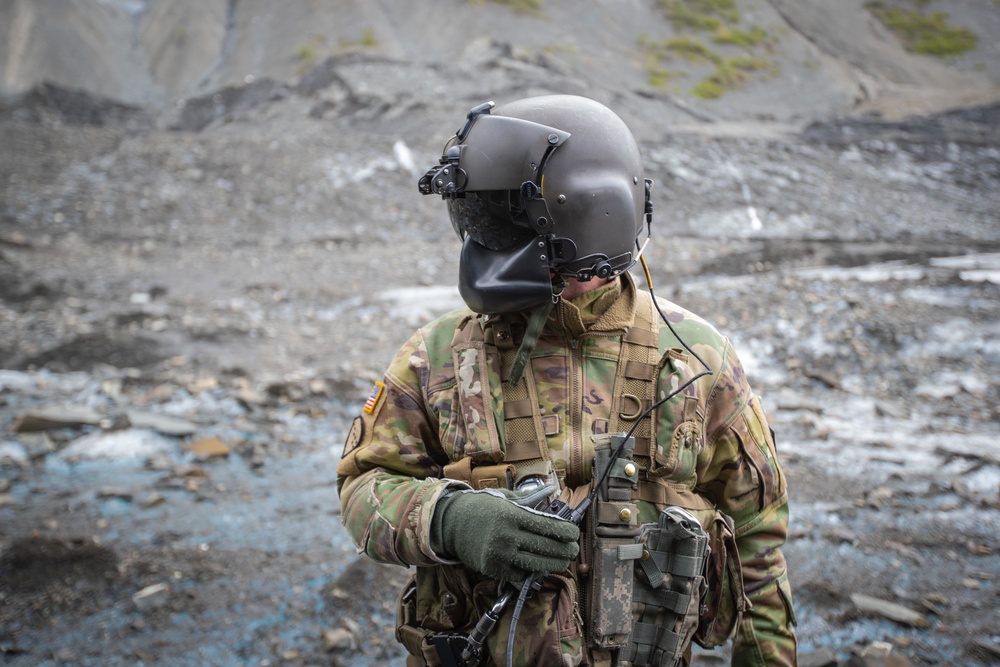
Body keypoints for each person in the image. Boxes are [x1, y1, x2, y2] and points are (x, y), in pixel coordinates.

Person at [337, 94, 797, 667]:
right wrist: (452, 519)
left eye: (506, 227)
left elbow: (757, 528)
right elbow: (362, 489)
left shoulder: (698, 357)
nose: (487, 248)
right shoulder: (438, 356)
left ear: (589, 219)